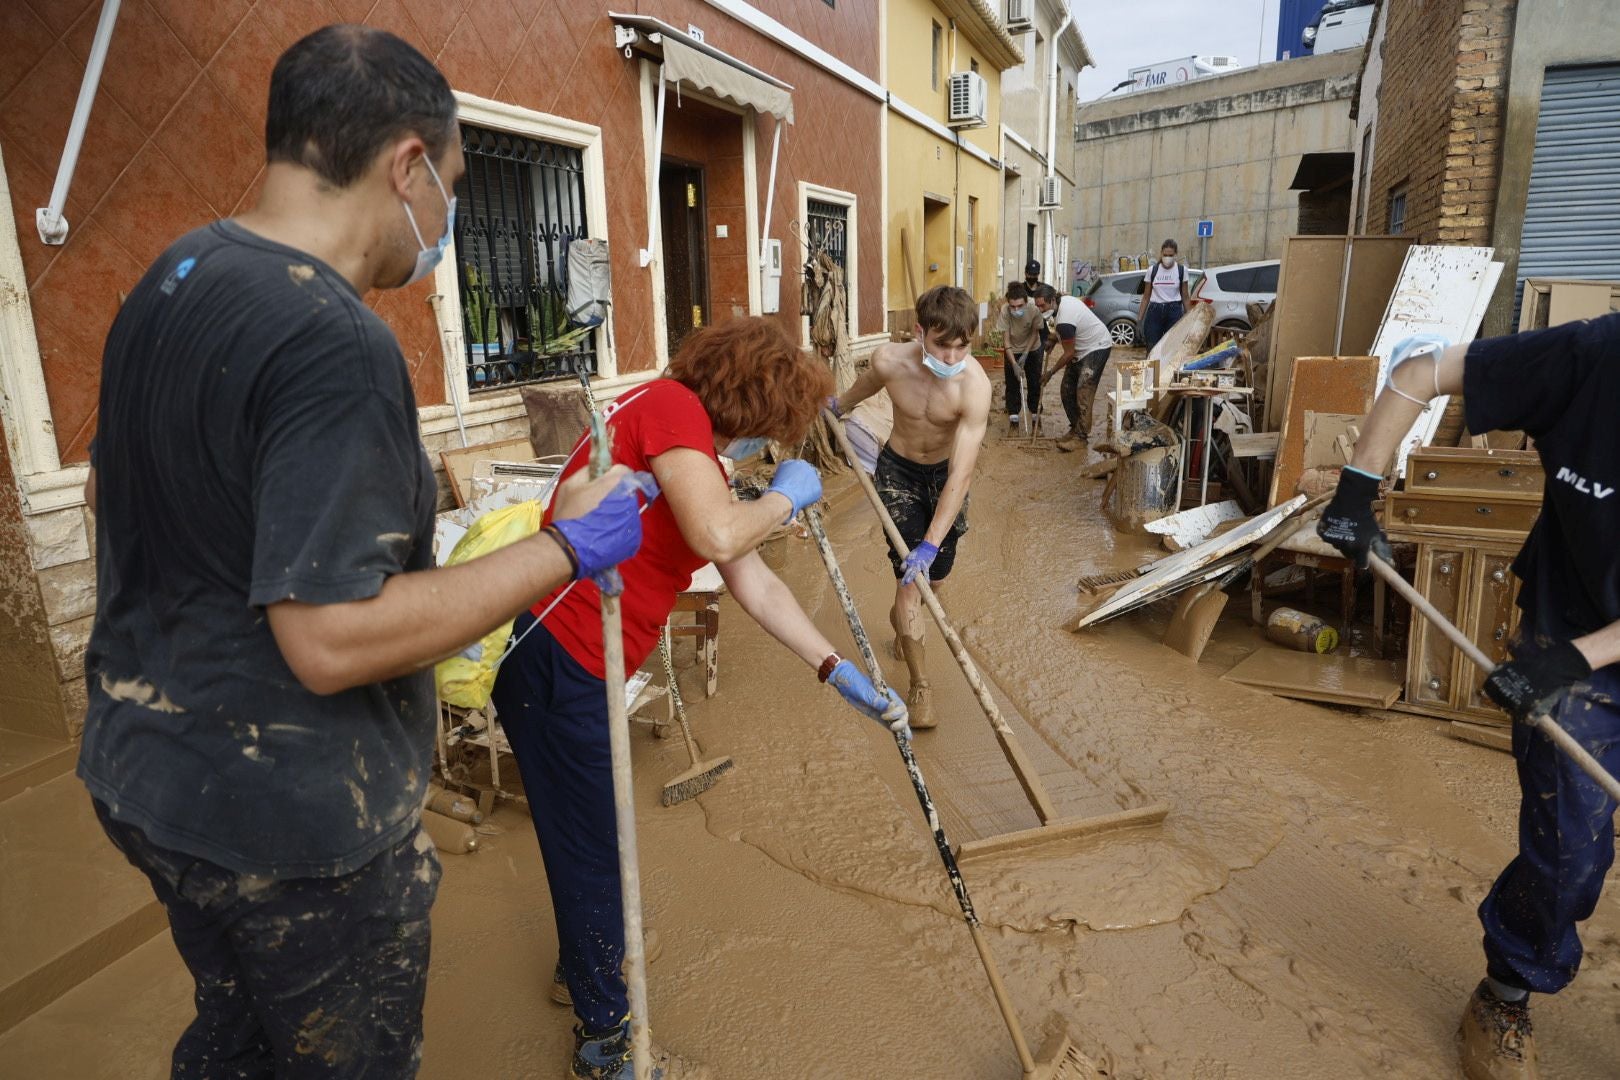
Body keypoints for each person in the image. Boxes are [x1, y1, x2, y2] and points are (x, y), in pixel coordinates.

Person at [76, 25, 646, 1079]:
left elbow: (116, 492)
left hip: (147, 780)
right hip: (291, 826)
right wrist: (567, 547)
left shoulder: (176, 274)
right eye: (458, 183)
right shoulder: (332, 338)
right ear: (408, 165)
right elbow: (330, 643)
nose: (447, 219)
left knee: (236, 1037)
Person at [491, 316, 908, 1080]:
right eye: (773, 429)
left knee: (586, 839)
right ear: (753, 401)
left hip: (572, 663)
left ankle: (581, 964)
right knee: (595, 854)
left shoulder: (690, 446)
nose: (769, 446)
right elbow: (721, 537)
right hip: (561, 662)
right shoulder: (671, 409)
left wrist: (834, 668)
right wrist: (785, 502)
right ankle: (606, 1047)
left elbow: (751, 577)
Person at [1317, 323, 1620, 1080]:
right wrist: (1360, 488)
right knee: (1567, 856)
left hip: (1586, 647)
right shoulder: (1591, 358)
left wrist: (1577, 659)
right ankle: (1506, 992)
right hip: (1573, 618)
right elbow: (1420, 372)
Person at [830, 285, 992, 729]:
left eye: (963, 346)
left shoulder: (974, 388)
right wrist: (837, 406)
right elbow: (860, 390)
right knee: (909, 579)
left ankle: (906, 615)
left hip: (945, 478)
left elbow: (961, 475)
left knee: (933, 578)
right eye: (944, 344)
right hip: (897, 472)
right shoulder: (889, 361)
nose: (954, 356)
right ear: (920, 332)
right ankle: (921, 684)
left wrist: (932, 545)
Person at [1033, 283, 1114, 450]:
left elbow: (1069, 353)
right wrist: (1054, 338)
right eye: (1038, 306)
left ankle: (1081, 437)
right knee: (1066, 389)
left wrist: (1050, 373)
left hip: (1097, 347)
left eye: (1043, 305)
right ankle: (1075, 428)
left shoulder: (1064, 320)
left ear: (1053, 300)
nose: (1040, 309)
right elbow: (1069, 329)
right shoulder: (1063, 303)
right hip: (1081, 348)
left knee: (1083, 390)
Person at [997, 282, 1043, 430]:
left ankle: (1036, 418)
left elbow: (1035, 333)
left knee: (1035, 382)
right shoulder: (1005, 311)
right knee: (1012, 384)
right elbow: (1006, 340)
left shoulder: (1034, 309)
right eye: (1013, 306)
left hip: (1032, 348)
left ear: (1025, 302)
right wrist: (1014, 364)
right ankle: (1014, 420)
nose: (1016, 309)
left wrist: (1025, 354)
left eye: (1019, 306)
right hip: (1012, 349)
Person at [1136, 238, 1192, 350]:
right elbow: (1146, 297)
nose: (1167, 257)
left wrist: (1190, 319)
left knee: (1171, 349)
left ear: (1175, 255)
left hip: (1174, 312)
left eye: (1170, 255)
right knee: (1152, 348)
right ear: (1161, 253)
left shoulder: (1182, 270)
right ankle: (1152, 368)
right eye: (1165, 254)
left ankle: (1168, 368)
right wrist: (1139, 321)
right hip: (1154, 312)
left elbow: (1185, 297)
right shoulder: (1152, 270)